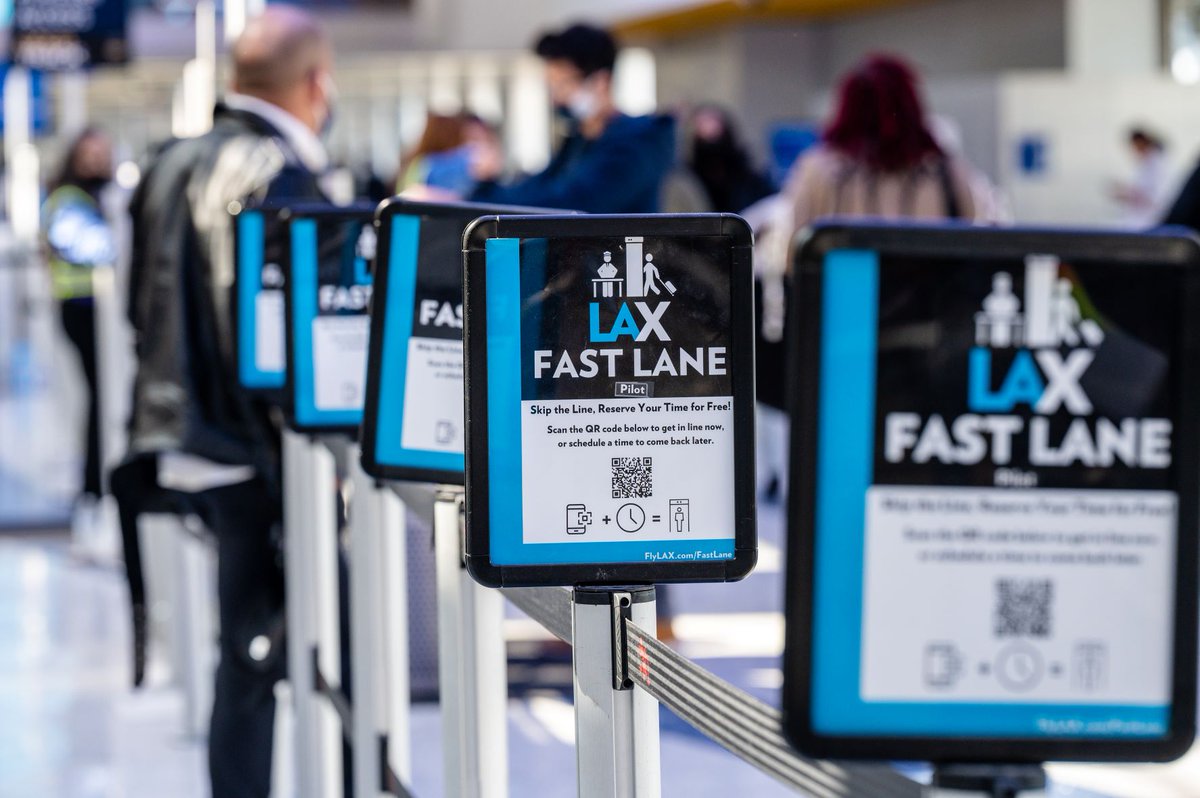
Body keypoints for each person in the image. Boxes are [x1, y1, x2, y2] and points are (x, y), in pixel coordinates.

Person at [124, 8, 335, 797]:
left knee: (245, 649)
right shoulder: (277, 172)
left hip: (181, 436)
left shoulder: (169, 160)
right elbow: (285, 341)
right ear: (317, 84)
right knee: (265, 651)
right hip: (254, 451)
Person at [469, 22, 675, 213]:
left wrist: (482, 200)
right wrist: (484, 191)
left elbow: (571, 204)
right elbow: (538, 188)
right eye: (551, 87)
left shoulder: (638, 142)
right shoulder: (580, 140)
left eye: (563, 85)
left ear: (600, 81)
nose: (555, 99)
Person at [42, 128, 117, 532]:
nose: (97, 161)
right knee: (100, 399)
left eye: (103, 153)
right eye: (90, 154)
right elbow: (97, 248)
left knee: (105, 399)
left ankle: (98, 480)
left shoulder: (98, 198)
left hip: (104, 314)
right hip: (83, 309)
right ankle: (94, 484)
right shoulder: (68, 201)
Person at [686, 105, 775, 213]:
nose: (709, 129)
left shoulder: (749, 178)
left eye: (713, 122)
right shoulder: (688, 181)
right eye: (701, 124)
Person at [1112, 127, 1166, 228]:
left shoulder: (1155, 164)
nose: (1133, 149)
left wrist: (1127, 194)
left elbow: (1154, 197)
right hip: (1140, 217)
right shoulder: (1147, 163)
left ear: (1140, 142)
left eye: (1134, 145)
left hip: (1147, 221)